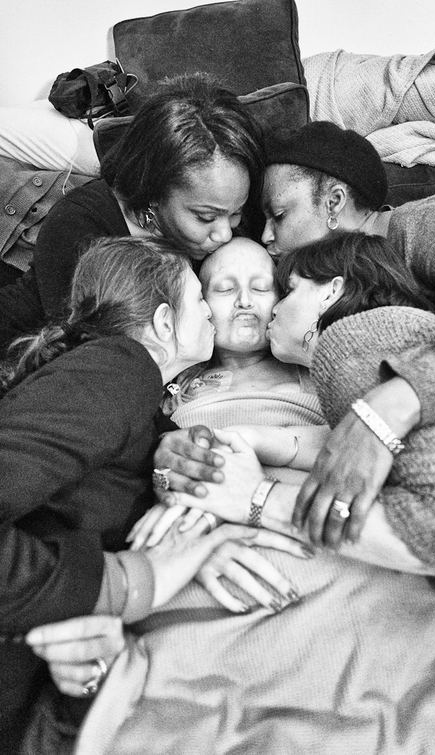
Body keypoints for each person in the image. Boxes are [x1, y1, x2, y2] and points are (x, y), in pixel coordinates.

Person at [44, 232, 435, 755]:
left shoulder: (328, 361)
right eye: (223, 288)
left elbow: (394, 467)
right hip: (199, 550)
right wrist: (167, 472)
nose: (245, 301)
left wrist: (257, 483)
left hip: (332, 539)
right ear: (195, 310)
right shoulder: (158, 384)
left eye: (263, 288)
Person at [0, 235, 295, 755]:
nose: (212, 312)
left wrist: (165, 457)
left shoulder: (138, 399)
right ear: (164, 323)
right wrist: (127, 583)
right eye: (202, 299)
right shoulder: (122, 366)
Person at [157, 118, 435, 551]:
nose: (266, 236)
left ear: (334, 203)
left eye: (279, 215)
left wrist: (393, 404)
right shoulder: (309, 329)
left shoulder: (425, 224)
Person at [0, 72, 265, 352]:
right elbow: (94, 353)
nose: (225, 234)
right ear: (152, 192)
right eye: (205, 217)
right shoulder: (79, 226)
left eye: (235, 212)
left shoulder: (231, 213)